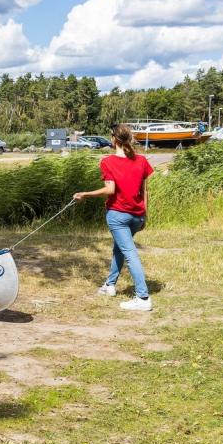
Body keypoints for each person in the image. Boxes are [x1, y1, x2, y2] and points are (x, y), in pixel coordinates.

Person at [73, 124, 155, 311]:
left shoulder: (108, 162)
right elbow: (145, 191)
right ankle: (110, 285)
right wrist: (144, 215)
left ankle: (142, 298)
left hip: (118, 216)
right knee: (119, 249)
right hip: (137, 216)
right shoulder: (142, 161)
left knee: (129, 253)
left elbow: (110, 190)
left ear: (114, 139)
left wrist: (84, 194)